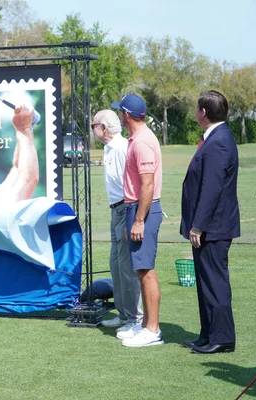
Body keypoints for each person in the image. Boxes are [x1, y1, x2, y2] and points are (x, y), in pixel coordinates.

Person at [180, 90, 239, 354]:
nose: (195, 112)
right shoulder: (215, 138)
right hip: (209, 227)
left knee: (214, 283)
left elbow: (211, 188)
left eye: (196, 108)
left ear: (203, 112)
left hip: (212, 228)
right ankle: (208, 334)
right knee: (205, 284)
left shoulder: (219, 142)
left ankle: (222, 337)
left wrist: (198, 225)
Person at [111, 94, 164, 347]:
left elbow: (148, 183)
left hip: (144, 209)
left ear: (127, 115)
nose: (119, 116)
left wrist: (139, 220)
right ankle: (145, 326)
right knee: (140, 269)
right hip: (136, 208)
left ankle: (152, 331)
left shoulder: (142, 141)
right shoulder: (136, 139)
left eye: (120, 113)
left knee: (146, 270)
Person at [92, 110, 143, 331]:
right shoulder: (109, 148)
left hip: (126, 209)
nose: (92, 129)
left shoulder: (122, 148)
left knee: (126, 267)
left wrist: (134, 218)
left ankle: (134, 318)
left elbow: (138, 185)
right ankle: (123, 314)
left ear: (104, 128)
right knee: (116, 265)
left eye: (94, 125)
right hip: (115, 210)